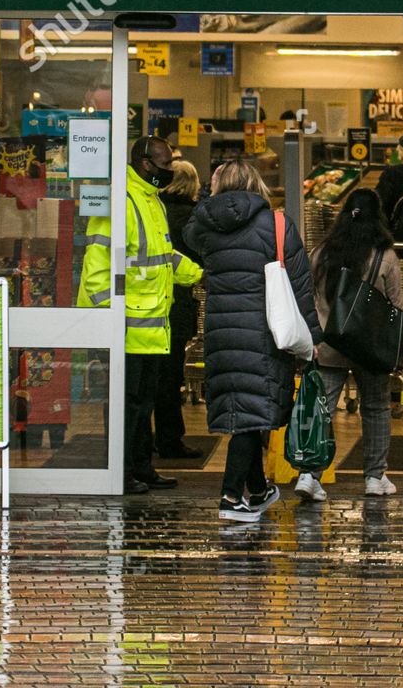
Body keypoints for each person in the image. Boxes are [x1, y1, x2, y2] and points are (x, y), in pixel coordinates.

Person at [184, 159, 321, 523]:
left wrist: (206, 197)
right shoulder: (276, 224)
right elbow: (300, 286)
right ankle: (231, 497)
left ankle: (258, 490)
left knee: (241, 409)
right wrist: (312, 336)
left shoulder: (204, 228)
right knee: (250, 415)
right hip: (264, 333)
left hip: (221, 331)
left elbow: (189, 235)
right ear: (256, 183)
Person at [78, 136, 203, 494]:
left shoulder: (151, 201)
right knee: (126, 406)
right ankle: (122, 471)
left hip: (149, 327)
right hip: (125, 327)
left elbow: (162, 257)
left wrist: (198, 274)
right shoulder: (121, 202)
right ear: (146, 164)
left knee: (143, 402)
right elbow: (97, 266)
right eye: (164, 167)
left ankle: (141, 468)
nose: (168, 173)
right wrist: (105, 320)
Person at [299, 188, 403, 501]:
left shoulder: (321, 252)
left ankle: (309, 474)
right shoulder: (385, 256)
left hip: (330, 345)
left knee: (322, 410)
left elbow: (308, 297)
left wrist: (311, 337)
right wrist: (402, 353)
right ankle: (374, 476)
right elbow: (397, 306)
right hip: (370, 348)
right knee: (376, 408)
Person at [155, 159, 203, 459]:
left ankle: (140, 440)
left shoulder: (155, 210)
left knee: (150, 377)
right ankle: (170, 438)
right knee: (171, 376)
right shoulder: (192, 219)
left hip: (146, 304)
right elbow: (199, 259)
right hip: (177, 303)